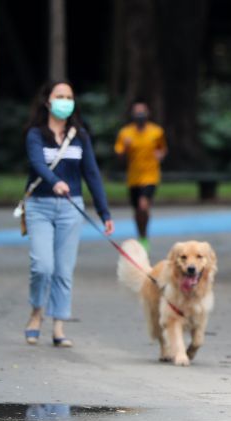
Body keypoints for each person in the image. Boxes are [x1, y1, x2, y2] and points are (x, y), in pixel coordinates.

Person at [23, 80, 114, 348]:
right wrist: (55, 181)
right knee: (42, 266)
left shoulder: (80, 135)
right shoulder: (35, 134)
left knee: (63, 269)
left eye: (69, 96)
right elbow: (38, 163)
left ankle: (59, 326)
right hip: (39, 205)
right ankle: (36, 312)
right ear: (47, 101)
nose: (65, 101)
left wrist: (104, 211)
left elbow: (92, 175)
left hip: (71, 208)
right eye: (59, 96)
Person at [114, 101, 168, 251]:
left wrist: (160, 155)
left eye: (142, 112)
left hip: (151, 176)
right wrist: (125, 147)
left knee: (143, 205)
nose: (140, 115)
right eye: (137, 112)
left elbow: (162, 149)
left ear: (148, 113)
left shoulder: (157, 132)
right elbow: (118, 155)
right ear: (132, 114)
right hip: (133, 178)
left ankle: (144, 237)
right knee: (137, 210)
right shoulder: (125, 133)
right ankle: (141, 234)